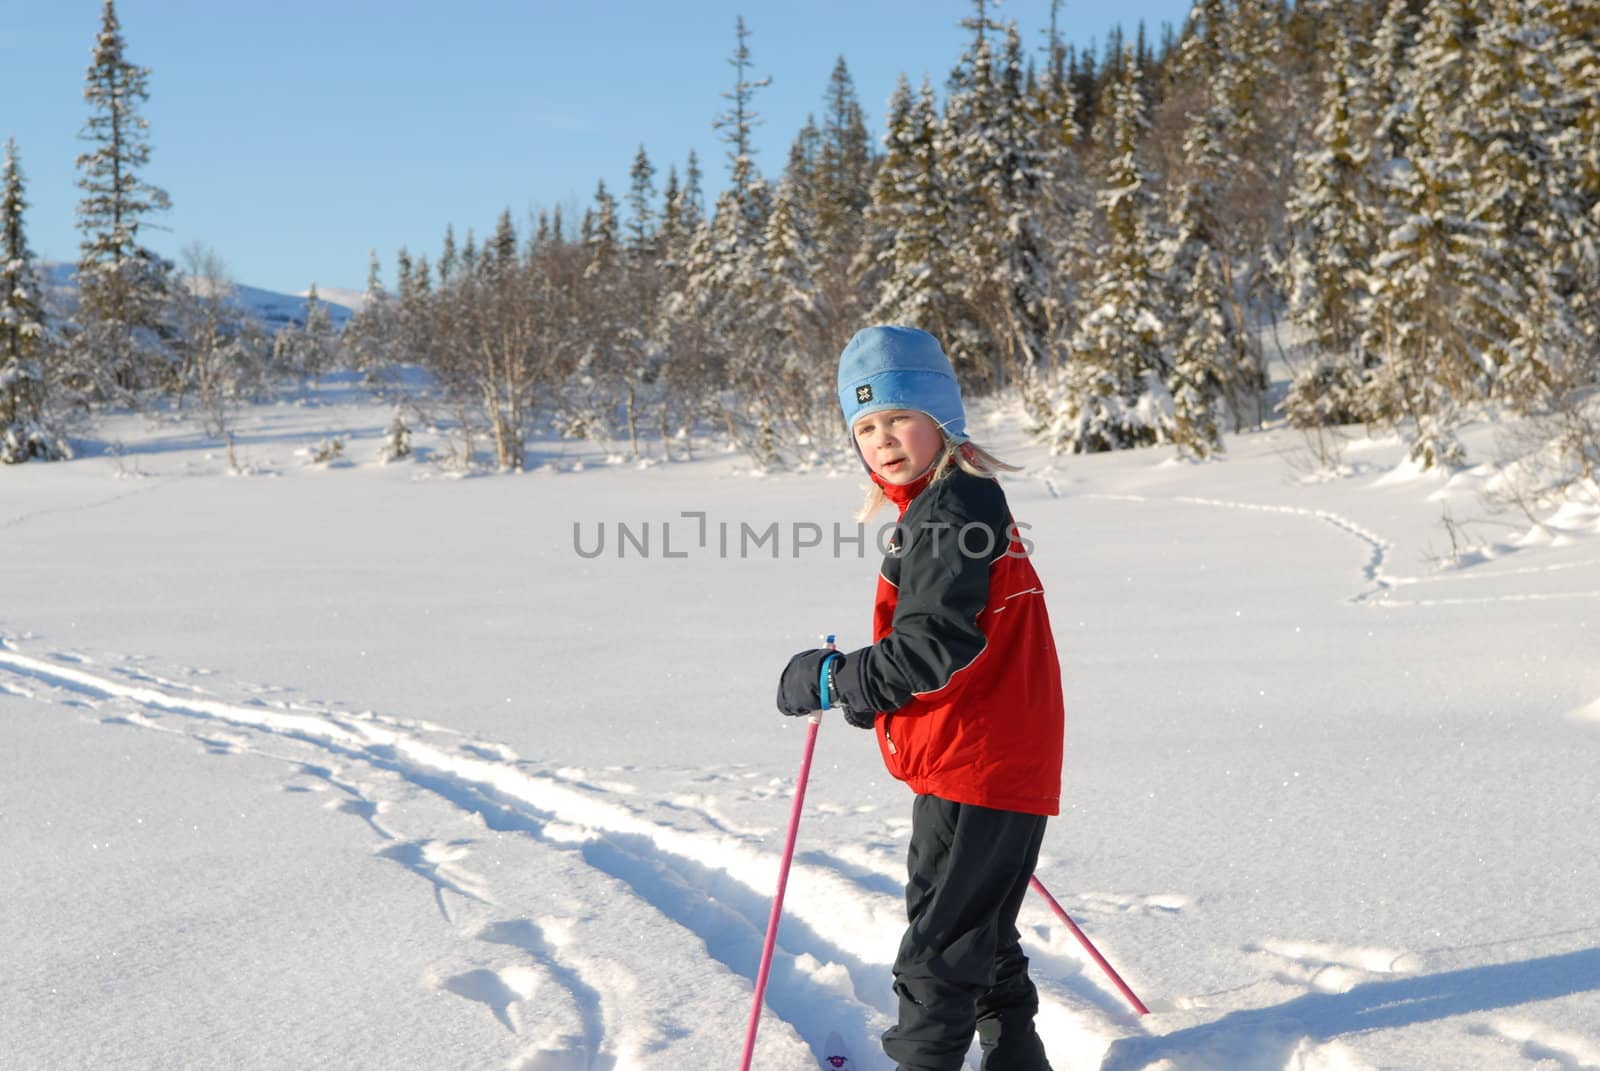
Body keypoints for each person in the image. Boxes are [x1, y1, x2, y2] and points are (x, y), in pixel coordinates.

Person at [776, 325, 1066, 1071]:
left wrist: (835, 679)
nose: (883, 438)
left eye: (899, 416)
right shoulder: (943, 506)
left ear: (942, 416)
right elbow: (948, 644)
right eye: (864, 426)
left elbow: (935, 643)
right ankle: (1016, 1055)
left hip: (983, 758)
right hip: (971, 756)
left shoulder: (954, 509)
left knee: (940, 945)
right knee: (973, 927)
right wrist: (872, 692)